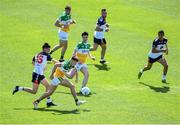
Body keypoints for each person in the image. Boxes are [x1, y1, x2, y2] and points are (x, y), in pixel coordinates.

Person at [12, 43, 58, 107]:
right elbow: (54, 61)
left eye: (49, 49)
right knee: (34, 91)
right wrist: (60, 63)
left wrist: (39, 66)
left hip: (39, 74)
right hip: (37, 75)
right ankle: (18, 88)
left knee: (48, 87)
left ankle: (49, 102)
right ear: (44, 49)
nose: (49, 50)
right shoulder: (47, 55)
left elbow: (33, 62)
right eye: (48, 49)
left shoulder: (37, 54)